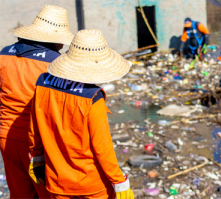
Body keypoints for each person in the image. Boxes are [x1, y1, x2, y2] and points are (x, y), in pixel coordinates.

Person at [28, 29, 134, 199]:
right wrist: (119, 182)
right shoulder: (92, 97)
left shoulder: (43, 83)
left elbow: (34, 127)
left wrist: (36, 157)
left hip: (57, 181)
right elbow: (102, 148)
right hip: (91, 185)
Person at [0, 5, 74, 198]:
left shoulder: (4, 54)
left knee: (20, 194)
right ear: (53, 39)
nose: (63, 46)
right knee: (47, 193)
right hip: (38, 143)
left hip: (6, 137)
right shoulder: (54, 63)